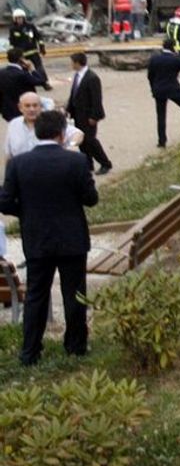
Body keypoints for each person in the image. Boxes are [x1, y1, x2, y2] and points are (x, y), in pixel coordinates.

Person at [0, 110, 99, 366]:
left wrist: (26, 211)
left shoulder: (18, 164)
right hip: (72, 238)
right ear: (62, 133)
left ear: (36, 132)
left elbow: (4, 202)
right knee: (74, 294)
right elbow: (91, 199)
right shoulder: (75, 162)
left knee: (36, 295)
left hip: (37, 238)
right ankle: (76, 346)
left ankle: (30, 351)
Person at [65, 52, 113, 175]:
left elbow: (96, 99)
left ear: (77, 63)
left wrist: (94, 116)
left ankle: (105, 163)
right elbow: (74, 95)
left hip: (88, 116)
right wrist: (68, 109)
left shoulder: (92, 78)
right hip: (78, 114)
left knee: (91, 141)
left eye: (72, 62)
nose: (71, 64)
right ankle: (88, 163)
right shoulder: (77, 76)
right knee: (82, 141)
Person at [6, 92, 83, 159]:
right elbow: (9, 154)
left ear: (41, 107)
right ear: (20, 107)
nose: (32, 109)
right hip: (23, 171)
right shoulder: (13, 124)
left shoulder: (51, 121)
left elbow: (78, 134)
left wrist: (72, 145)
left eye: (35, 105)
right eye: (27, 106)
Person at [0, 48, 48, 121]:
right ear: (21, 59)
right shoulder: (22, 75)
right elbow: (41, 81)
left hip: (7, 111)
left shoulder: (2, 72)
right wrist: (32, 69)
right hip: (23, 110)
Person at [8, 9, 50, 87]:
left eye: (21, 18)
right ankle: (27, 85)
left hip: (33, 51)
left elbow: (38, 37)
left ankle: (44, 83)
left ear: (24, 18)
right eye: (17, 18)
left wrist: (42, 47)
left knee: (39, 68)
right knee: (23, 70)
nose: (19, 20)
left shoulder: (30, 26)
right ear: (14, 19)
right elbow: (12, 42)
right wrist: (14, 53)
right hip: (21, 54)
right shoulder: (13, 29)